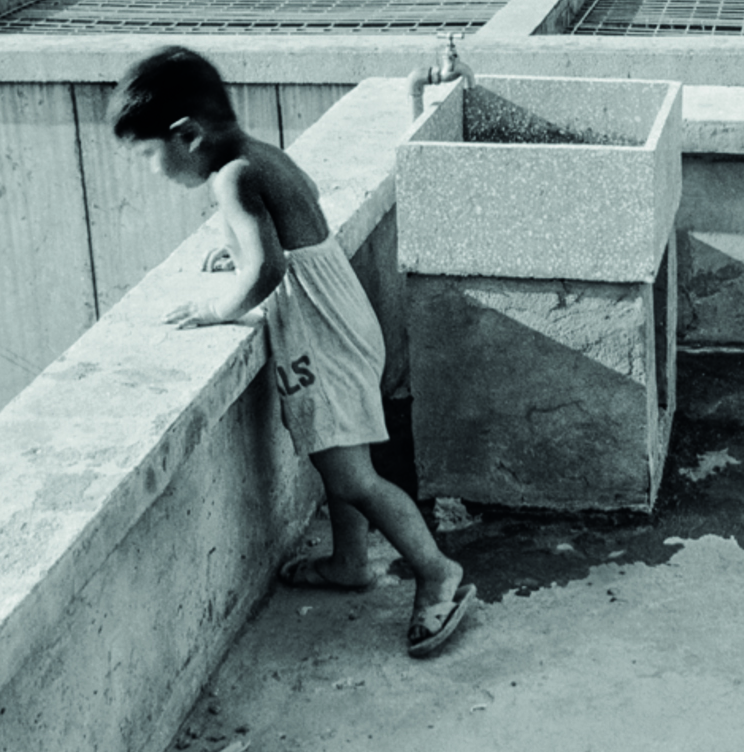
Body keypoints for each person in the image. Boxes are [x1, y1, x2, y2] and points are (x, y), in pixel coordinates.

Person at [109, 46, 474, 659]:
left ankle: (438, 573)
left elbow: (270, 269)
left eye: (149, 155)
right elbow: (294, 223)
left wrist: (216, 308)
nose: (152, 171)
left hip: (322, 340)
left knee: (357, 479)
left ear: (187, 135)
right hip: (340, 319)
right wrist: (242, 246)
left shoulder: (232, 177)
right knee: (336, 461)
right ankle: (350, 562)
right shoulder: (261, 155)